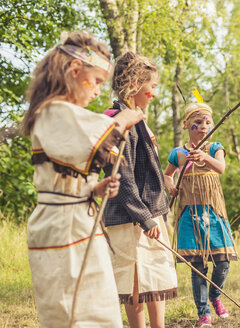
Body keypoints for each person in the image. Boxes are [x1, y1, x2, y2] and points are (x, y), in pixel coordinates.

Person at [22, 31, 143, 327]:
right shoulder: (52, 111)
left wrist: (93, 187)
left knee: (97, 309)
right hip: (62, 230)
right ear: (75, 71)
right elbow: (100, 136)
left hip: (75, 222)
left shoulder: (63, 114)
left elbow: (64, 173)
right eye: (97, 81)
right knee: (73, 311)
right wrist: (123, 119)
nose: (98, 91)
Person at [102, 52, 178, 328]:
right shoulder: (117, 121)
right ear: (134, 84)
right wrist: (143, 218)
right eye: (153, 86)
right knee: (134, 277)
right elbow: (120, 176)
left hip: (150, 212)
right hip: (130, 216)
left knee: (156, 275)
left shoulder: (138, 120)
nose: (154, 93)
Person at [164, 100, 238, 328]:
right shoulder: (178, 153)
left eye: (207, 121)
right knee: (197, 265)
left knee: (223, 260)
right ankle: (203, 312)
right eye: (198, 122)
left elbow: (221, 168)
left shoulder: (215, 147)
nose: (204, 126)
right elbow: (167, 175)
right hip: (189, 211)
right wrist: (171, 185)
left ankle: (215, 296)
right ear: (187, 124)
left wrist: (205, 157)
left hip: (213, 210)